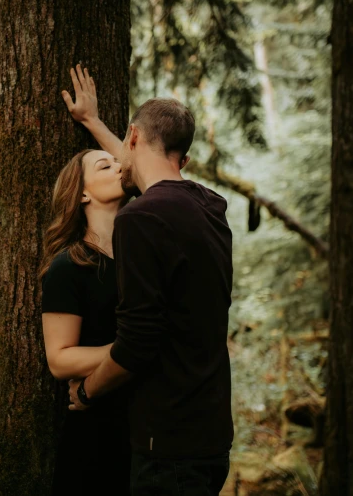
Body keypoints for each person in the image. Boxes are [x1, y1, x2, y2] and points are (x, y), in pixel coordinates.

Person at [66, 90, 234, 495]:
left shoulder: (140, 219)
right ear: (185, 161)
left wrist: (87, 392)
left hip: (168, 444)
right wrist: (92, 121)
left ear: (134, 137)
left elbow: (138, 341)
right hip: (211, 433)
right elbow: (148, 175)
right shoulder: (209, 206)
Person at [40, 65, 131, 494]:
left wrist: (92, 121)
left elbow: (152, 179)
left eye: (118, 162)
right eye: (104, 165)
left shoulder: (140, 253)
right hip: (95, 429)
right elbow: (60, 360)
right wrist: (134, 349)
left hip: (150, 426)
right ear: (82, 193)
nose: (118, 166)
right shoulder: (68, 266)